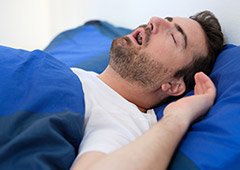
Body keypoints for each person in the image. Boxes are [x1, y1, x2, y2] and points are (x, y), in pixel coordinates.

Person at [71, 10, 224, 170]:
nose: (154, 19)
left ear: (173, 85)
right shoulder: (78, 76)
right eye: (166, 19)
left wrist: (178, 116)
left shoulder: (121, 120)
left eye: (173, 37)